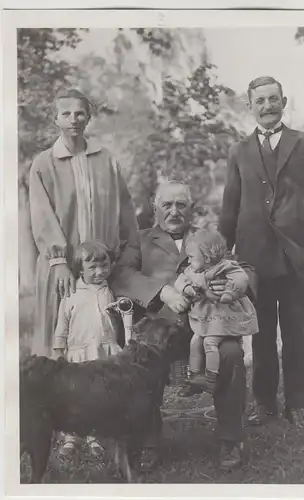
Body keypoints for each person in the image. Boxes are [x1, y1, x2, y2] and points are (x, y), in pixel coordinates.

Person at [110, 180, 258, 471]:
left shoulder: (208, 238)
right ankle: (148, 441)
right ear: (155, 208)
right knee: (141, 359)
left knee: (229, 353)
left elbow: (246, 269)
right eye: (167, 205)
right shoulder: (139, 239)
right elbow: (121, 275)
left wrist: (232, 284)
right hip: (160, 326)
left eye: (181, 205)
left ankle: (230, 438)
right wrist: (162, 291)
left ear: (192, 208)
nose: (174, 211)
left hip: (209, 325)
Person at [219, 76, 304, 428]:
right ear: (250, 106)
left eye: (274, 99)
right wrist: (225, 254)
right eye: (261, 101)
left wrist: (299, 218)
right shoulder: (239, 151)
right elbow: (230, 207)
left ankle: (296, 406)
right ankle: (264, 403)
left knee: (294, 334)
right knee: (262, 334)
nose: (268, 106)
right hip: (253, 259)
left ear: (284, 101)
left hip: (296, 257)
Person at [29, 88, 140, 358]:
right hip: (63, 267)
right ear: (55, 119)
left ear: (89, 118)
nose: (73, 119)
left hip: (102, 268)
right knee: (61, 339)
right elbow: (42, 216)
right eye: (66, 113)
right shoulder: (44, 164)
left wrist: (129, 251)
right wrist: (58, 263)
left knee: (104, 334)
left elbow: (125, 209)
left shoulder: (107, 160)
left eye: (80, 113)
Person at [53, 241, 122, 457]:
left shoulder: (110, 291)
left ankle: (94, 437)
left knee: (98, 396)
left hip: (102, 352)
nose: (100, 272)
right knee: (75, 396)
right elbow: (62, 325)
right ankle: (71, 437)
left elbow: (115, 322)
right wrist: (58, 350)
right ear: (80, 268)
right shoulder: (72, 293)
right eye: (92, 267)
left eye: (104, 266)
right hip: (79, 352)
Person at [174, 228, 258, 394]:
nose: (188, 261)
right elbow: (180, 281)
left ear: (206, 257)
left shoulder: (226, 267)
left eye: (191, 257)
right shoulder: (193, 271)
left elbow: (241, 279)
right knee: (195, 340)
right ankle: (195, 374)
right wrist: (187, 289)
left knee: (209, 342)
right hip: (206, 315)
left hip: (223, 316)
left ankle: (211, 378)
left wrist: (229, 292)